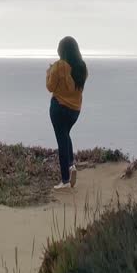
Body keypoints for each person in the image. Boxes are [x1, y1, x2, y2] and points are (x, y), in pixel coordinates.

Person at [46, 36, 87, 190]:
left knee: (61, 140)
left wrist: (49, 72)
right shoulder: (82, 67)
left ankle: (65, 180)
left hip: (59, 108)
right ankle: (71, 166)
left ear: (62, 50)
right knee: (66, 135)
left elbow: (50, 87)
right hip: (74, 111)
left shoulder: (58, 66)